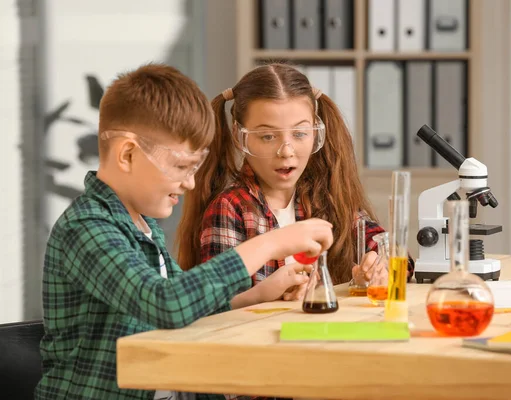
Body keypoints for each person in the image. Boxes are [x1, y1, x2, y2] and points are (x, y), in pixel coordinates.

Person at [35, 63, 333, 400]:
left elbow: (191, 311)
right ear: (128, 154)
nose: (190, 182)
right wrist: (270, 244)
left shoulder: (142, 227)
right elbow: (167, 304)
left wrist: (262, 293)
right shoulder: (87, 229)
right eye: (181, 166)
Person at [176, 63, 414, 310]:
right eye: (268, 136)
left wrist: (379, 267)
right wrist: (264, 293)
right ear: (239, 136)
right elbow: (209, 302)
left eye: (300, 134)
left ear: (316, 132)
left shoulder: (326, 198)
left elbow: (397, 254)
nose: (286, 151)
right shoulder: (231, 208)